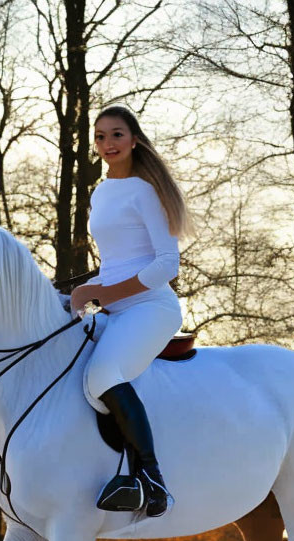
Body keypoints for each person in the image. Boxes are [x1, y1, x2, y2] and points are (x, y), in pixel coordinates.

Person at [69, 105, 191, 517]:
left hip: (150, 307)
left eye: (117, 135)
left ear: (134, 139)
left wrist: (104, 293)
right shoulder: (101, 191)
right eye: (100, 137)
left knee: (102, 375)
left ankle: (153, 481)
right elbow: (116, 259)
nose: (108, 144)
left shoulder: (145, 191)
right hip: (114, 308)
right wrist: (85, 290)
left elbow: (165, 265)